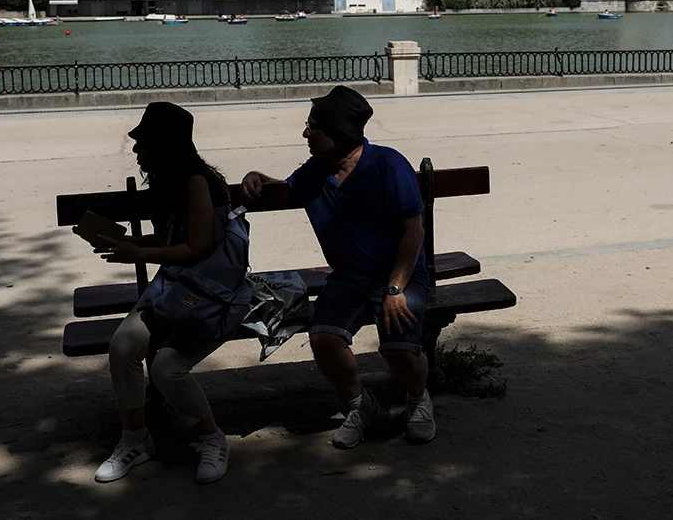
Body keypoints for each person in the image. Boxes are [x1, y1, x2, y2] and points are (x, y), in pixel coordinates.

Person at [241, 86, 435, 449]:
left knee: (399, 350)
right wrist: (258, 177)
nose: (305, 133)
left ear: (340, 133)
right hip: (348, 279)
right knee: (324, 340)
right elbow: (287, 187)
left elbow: (414, 232)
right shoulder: (318, 169)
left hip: (399, 275)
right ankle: (362, 405)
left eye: (313, 127)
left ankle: (417, 399)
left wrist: (395, 289)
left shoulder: (389, 165)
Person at [89, 102, 236, 484]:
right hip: (175, 286)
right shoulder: (168, 181)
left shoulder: (198, 182)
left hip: (211, 293)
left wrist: (139, 254)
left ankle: (212, 438)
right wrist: (131, 243)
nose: (137, 150)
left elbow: (199, 247)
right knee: (123, 347)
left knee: (166, 368)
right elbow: (174, 238)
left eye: (143, 143)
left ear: (165, 145)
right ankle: (135, 439)